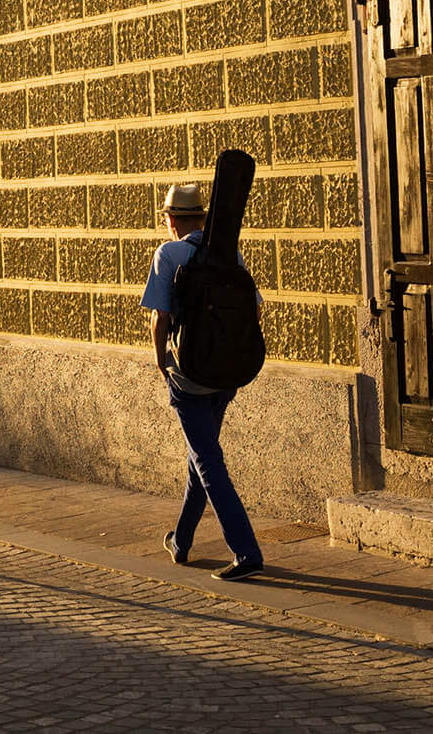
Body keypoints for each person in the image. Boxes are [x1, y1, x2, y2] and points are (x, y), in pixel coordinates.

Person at [141, 181, 265, 581]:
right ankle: (181, 540)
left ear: (171, 220)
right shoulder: (229, 252)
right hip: (226, 375)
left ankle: (246, 552)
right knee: (202, 455)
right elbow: (254, 311)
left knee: (209, 462)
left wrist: (161, 362)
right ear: (202, 217)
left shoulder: (169, 253)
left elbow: (159, 316)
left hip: (188, 376)